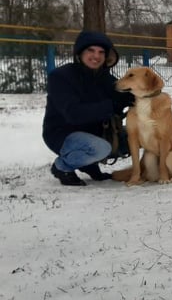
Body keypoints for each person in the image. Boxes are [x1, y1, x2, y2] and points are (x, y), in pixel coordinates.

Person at [42, 30, 133, 186]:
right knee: (101, 148)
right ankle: (62, 167)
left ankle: (89, 165)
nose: (96, 56)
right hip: (62, 134)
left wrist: (143, 95)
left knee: (134, 137)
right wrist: (111, 106)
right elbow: (73, 113)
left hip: (93, 133)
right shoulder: (61, 77)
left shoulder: (104, 78)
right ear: (80, 53)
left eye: (101, 52)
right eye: (90, 50)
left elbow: (125, 96)